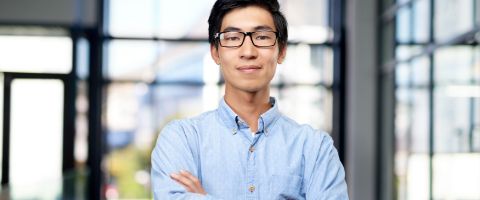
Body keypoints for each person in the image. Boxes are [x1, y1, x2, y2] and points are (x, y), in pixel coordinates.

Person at [150, 0, 349, 199]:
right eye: (233, 38)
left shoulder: (314, 147)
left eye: (262, 37)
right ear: (215, 52)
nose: (248, 52)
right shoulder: (182, 139)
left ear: (281, 51)